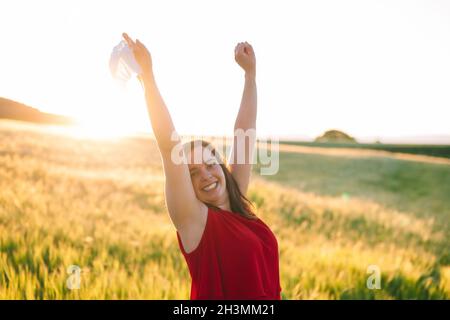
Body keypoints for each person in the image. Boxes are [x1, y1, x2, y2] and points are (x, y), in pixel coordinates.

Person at [122, 33, 281, 300]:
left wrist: (250, 75)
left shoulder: (236, 198)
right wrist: (148, 78)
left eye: (210, 165)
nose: (205, 175)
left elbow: (245, 133)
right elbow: (168, 144)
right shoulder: (194, 220)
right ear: (187, 184)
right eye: (193, 172)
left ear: (222, 167)